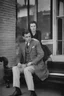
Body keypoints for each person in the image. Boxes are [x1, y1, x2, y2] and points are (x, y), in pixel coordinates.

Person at [9, 30, 49, 96]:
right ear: (23, 37)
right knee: (15, 68)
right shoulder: (21, 44)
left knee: (26, 70)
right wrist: (18, 62)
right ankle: (17, 90)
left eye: (29, 36)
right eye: (27, 37)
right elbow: (18, 55)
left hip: (37, 65)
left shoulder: (36, 43)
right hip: (26, 64)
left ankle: (32, 92)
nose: (29, 38)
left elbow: (41, 54)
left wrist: (32, 62)